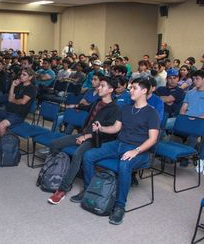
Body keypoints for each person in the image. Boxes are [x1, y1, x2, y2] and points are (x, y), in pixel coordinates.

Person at [71, 78, 160, 225]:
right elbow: (116, 128)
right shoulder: (125, 108)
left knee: (124, 165)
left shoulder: (151, 113)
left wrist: (135, 151)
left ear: (144, 91)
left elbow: (153, 139)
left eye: (134, 88)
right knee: (88, 156)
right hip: (119, 144)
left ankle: (119, 207)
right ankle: (89, 191)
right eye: (130, 87)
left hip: (140, 151)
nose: (130, 90)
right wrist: (101, 128)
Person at [47, 77, 121, 205]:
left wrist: (86, 137)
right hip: (84, 133)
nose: (98, 88)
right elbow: (85, 108)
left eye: (102, 86)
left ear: (110, 90)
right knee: (54, 144)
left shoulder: (114, 109)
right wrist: (74, 106)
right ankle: (58, 171)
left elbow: (106, 131)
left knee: (77, 155)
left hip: (97, 139)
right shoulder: (97, 102)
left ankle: (62, 189)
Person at [0, 68, 37, 143]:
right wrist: (13, 86)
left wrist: (14, 100)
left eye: (24, 75)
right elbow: (10, 99)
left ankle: (3, 146)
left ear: (30, 77)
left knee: (1, 126)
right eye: (21, 74)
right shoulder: (18, 85)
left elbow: (23, 102)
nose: (21, 76)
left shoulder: (31, 88)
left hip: (18, 115)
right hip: (8, 111)